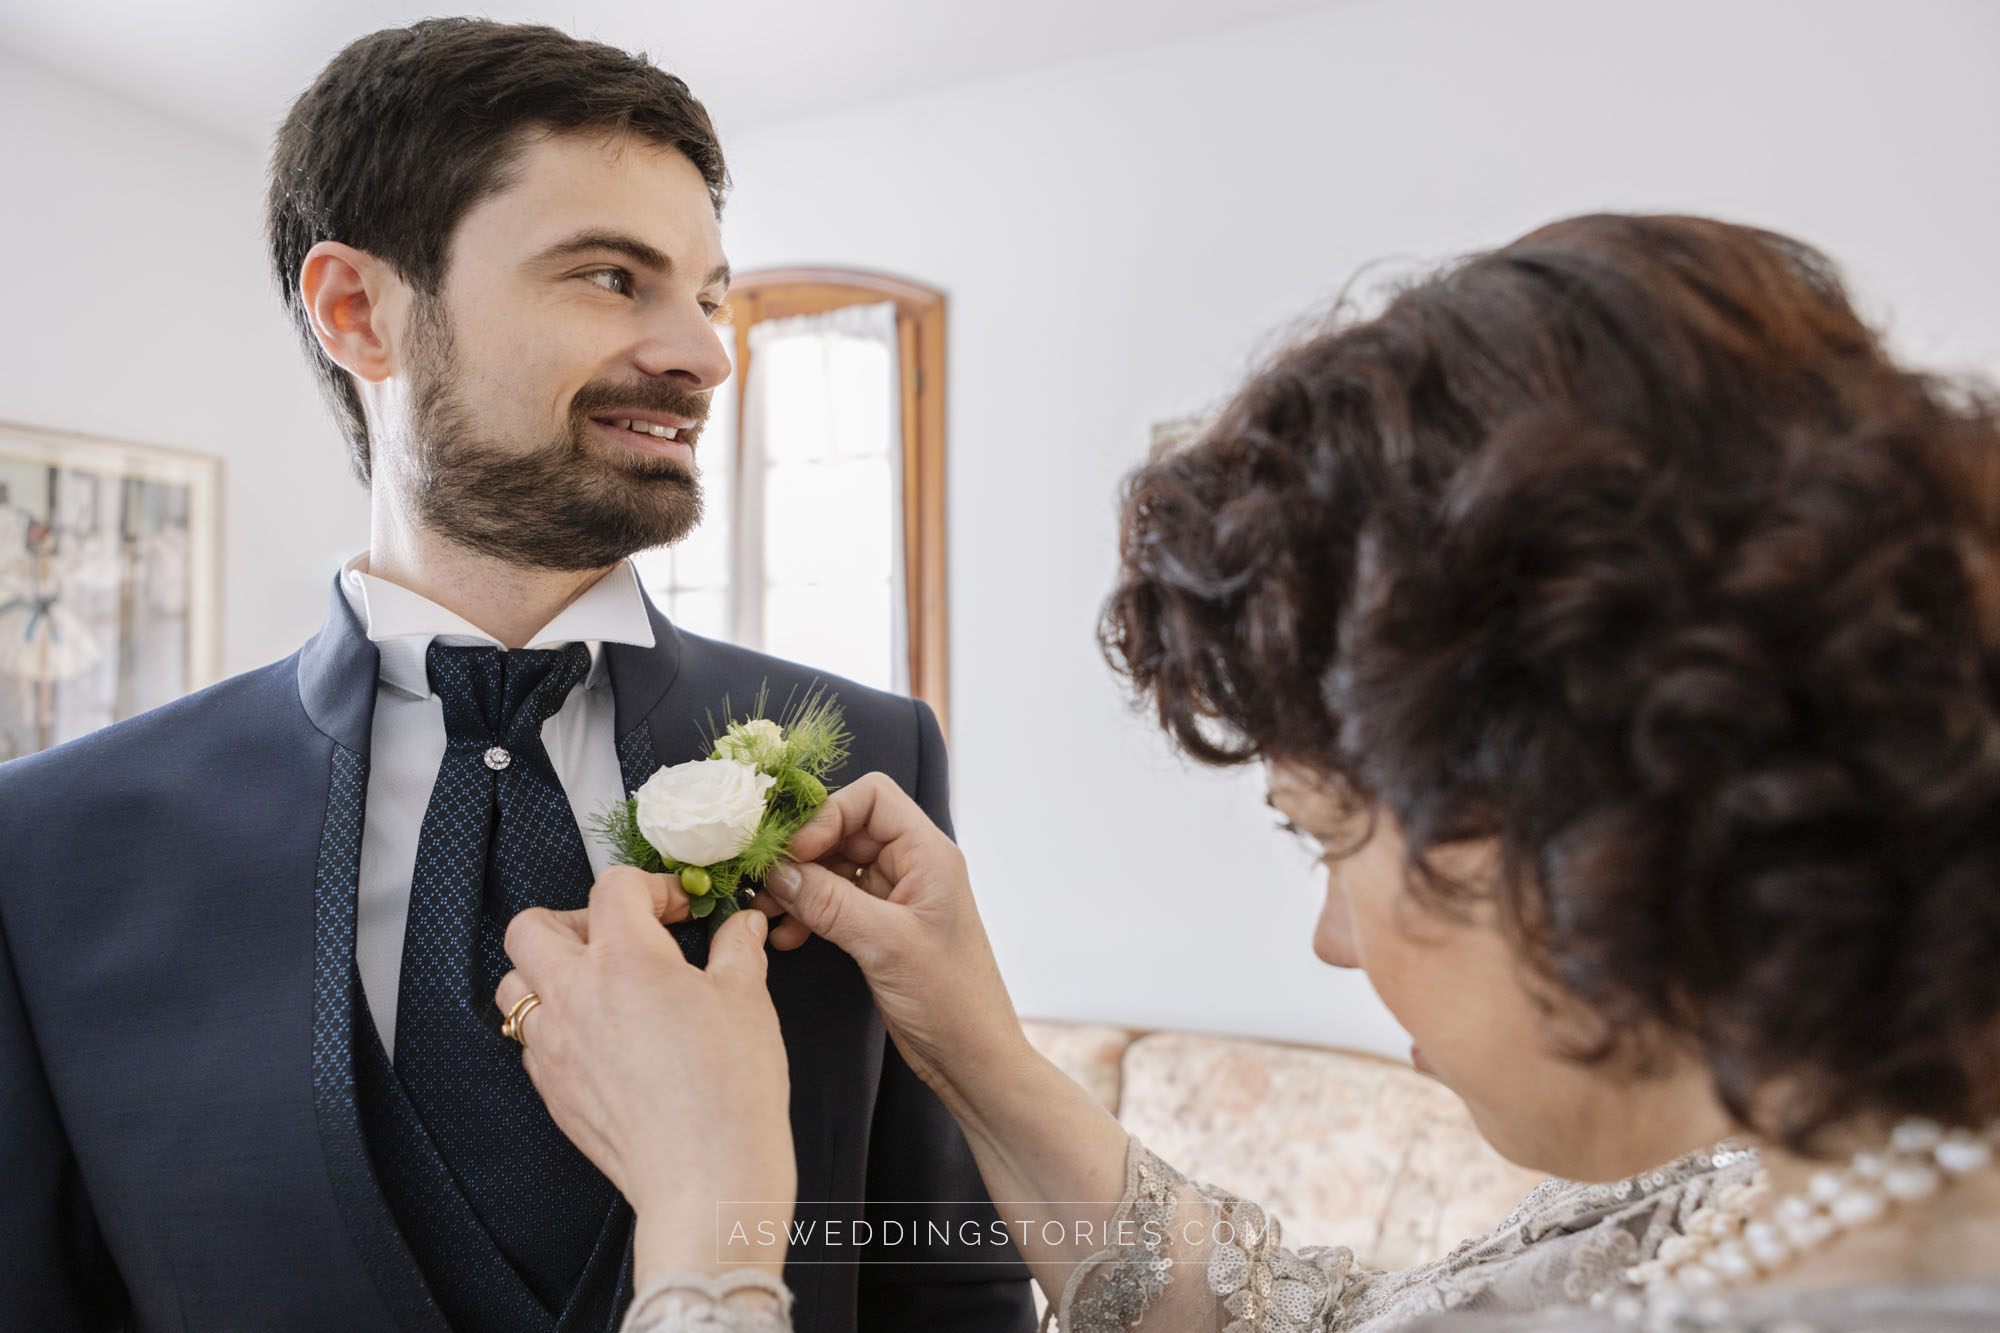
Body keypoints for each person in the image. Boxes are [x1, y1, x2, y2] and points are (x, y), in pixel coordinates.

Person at [495, 213, 2000, 1332]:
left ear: (1585, 808)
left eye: (1325, 835)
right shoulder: (1816, 1166)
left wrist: (706, 1222)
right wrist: (978, 1049)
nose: (1331, 938)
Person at [0, 19, 1037, 1333]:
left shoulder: (865, 762)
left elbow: (947, 1293)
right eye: (612, 276)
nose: (705, 353)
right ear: (358, 311)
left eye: (707, 294)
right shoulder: (51, 847)